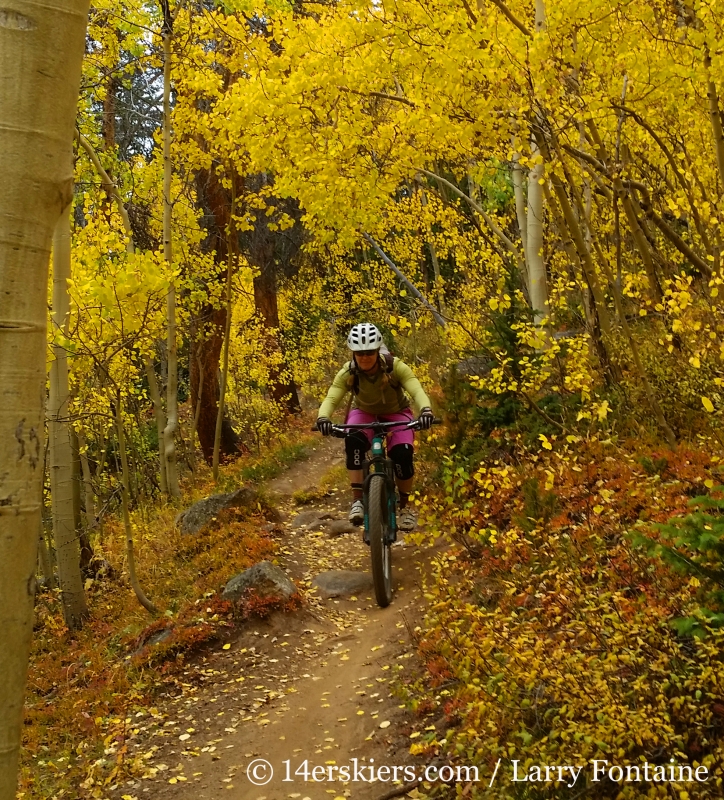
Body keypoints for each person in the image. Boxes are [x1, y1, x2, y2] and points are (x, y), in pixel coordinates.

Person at [316, 322, 434, 532]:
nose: (365, 357)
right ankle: (358, 500)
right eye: (359, 353)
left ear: (377, 349)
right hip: (364, 413)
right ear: (353, 353)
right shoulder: (348, 371)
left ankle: (405, 507)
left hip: (397, 413)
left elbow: (416, 389)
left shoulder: (394, 366)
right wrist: (323, 417)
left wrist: (425, 410)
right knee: (352, 440)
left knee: (403, 453)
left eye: (369, 351)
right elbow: (332, 396)